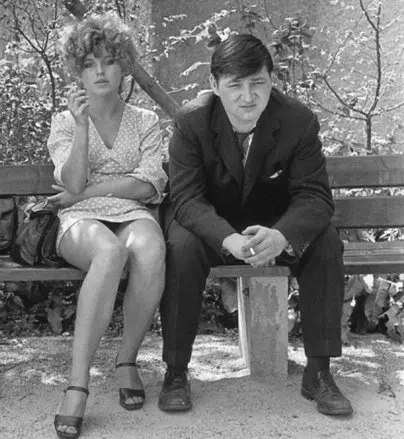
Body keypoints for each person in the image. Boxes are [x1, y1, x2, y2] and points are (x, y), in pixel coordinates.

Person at [159, 33, 353, 416]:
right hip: (212, 226)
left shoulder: (297, 121)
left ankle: (319, 372)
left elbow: (315, 197)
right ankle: (176, 372)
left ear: (271, 80)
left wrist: (282, 235)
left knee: (326, 242)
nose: (247, 97)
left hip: (273, 226)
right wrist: (226, 238)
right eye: (235, 85)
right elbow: (186, 199)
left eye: (257, 83)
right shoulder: (191, 122)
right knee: (180, 246)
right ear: (215, 85)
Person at [47, 13, 168, 439]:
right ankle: (77, 385)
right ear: (77, 70)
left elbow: (148, 184)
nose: (99, 71)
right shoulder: (65, 122)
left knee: (151, 248)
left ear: (123, 65)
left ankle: (126, 360)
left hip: (130, 212)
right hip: (79, 219)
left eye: (109, 61)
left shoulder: (145, 120)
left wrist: (88, 191)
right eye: (89, 63)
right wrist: (82, 127)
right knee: (109, 252)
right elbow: (72, 182)